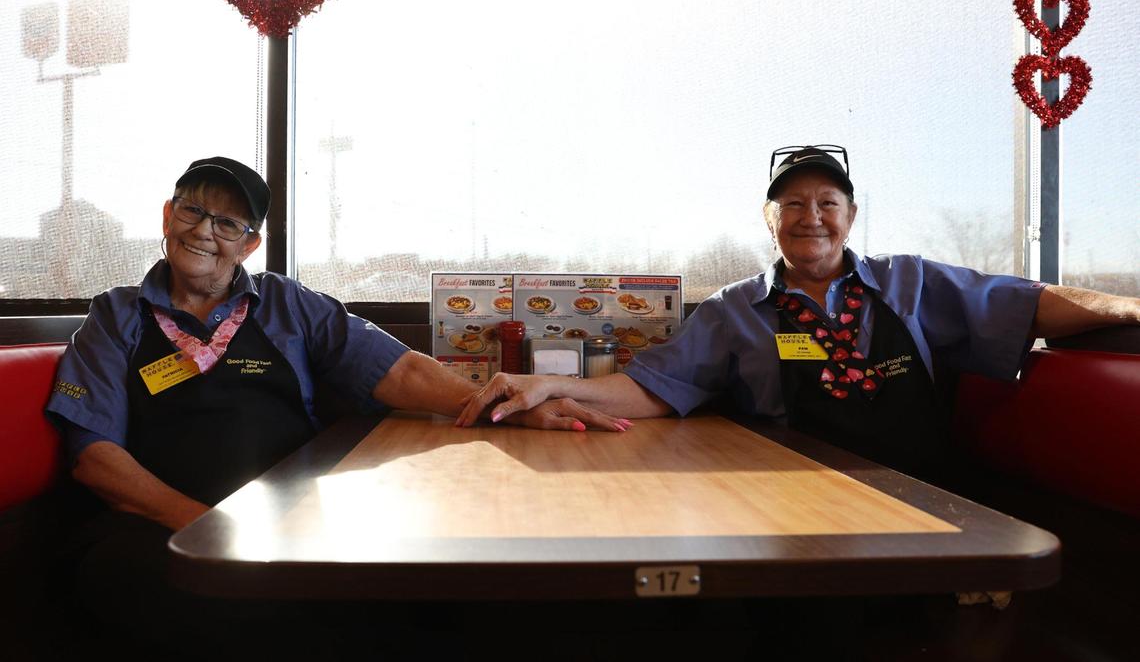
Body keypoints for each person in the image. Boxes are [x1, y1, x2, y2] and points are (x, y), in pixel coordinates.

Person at [43, 156, 621, 657]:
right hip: (160, 525)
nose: (203, 231)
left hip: (288, 520)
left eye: (227, 222)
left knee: (427, 591)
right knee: (132, 581)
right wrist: (208, 526)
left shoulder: (286, 303)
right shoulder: (114, 316)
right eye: (192, 211)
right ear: (168, 217)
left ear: (249, 244)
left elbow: (399, 369)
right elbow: (95, 459)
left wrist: (502, 404)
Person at [458, 144, 1140, 481]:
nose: (811, 217)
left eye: (826, 203)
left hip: (926, 490)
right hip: (794, 489)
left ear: (850, 216)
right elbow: (655, 385)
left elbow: (1027, 303)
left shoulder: (911, 281)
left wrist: (1129, 307)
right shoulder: (733, 309)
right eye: (792, 204)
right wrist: (551, 384)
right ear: (770, 220)